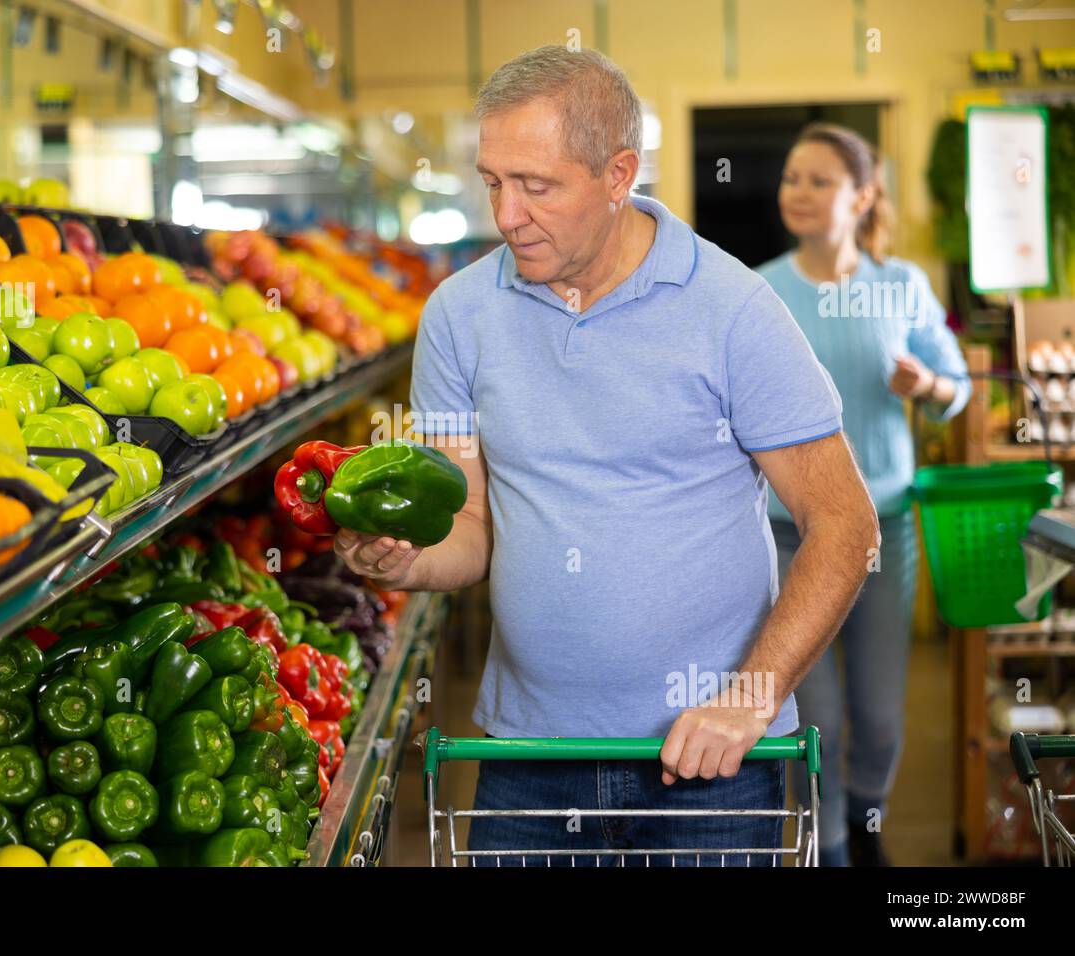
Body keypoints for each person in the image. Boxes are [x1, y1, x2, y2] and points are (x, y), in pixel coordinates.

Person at [335, 45, 878, 866]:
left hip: (716, 766)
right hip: (529, 762)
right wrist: (406, 561)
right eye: (493, 182)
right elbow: (473, 524)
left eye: (537, 186)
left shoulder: (733, 310)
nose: (507, 214)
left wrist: (750, 699)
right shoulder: (457, 316)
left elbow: (842, 523)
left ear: (619, 173)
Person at [757, 124, 970, 867]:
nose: (800, 193)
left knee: (878, 716)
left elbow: (958, 389)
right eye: (792, 178)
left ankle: (867, 822)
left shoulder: (902, 285)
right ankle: (834, 848)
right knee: (815, 722)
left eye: (820, 180)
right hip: (788, 534)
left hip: (885, 529)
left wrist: (930, 386)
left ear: (863, 196)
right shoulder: (761, 291)